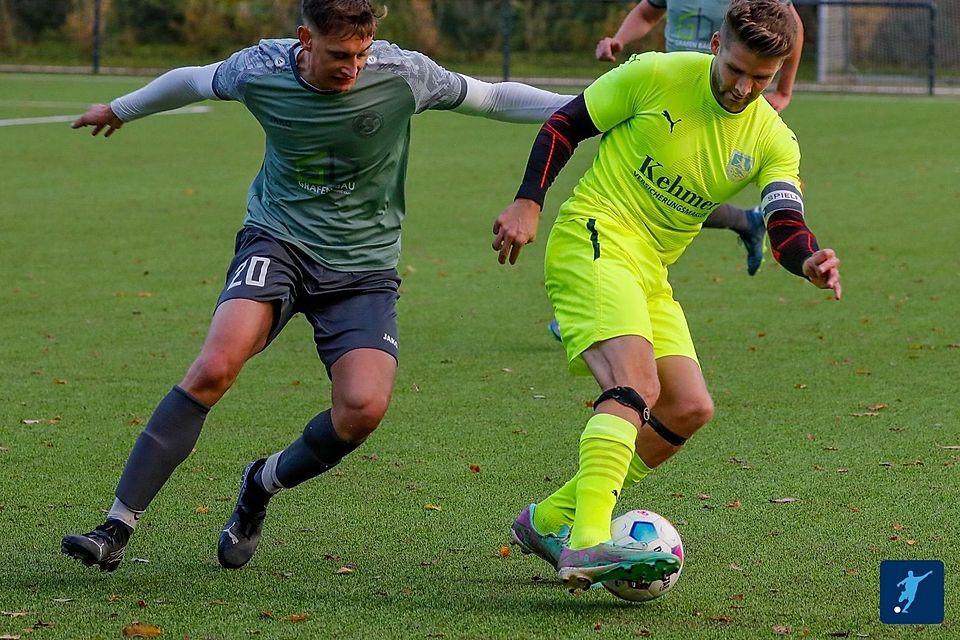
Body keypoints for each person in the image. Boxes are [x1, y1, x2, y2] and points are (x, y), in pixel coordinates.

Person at [60, 0, 578, 574]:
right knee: (213, 367)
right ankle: (115, 526)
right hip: (277, 241)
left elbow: (492, 97)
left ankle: (260, 483)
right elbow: (192, 80)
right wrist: (121, 109)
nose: (352, 67)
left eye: (361, 54)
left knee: (362, 409)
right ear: (305, 38)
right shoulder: (260, 69)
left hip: (364, 268)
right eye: (339, 54)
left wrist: (587, 110)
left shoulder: (403, 74)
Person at [492, 0, 840, 590]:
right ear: (714, 48)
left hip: (651, 269)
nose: (744, 87)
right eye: (736, 69)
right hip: (594, 236)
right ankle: (585, 544)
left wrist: (806, 258)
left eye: (761, 78)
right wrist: (529, 200)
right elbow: (565, 124)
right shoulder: (655, 74)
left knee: (686, 408)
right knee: (636, 385)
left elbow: (783, 219)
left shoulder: (774, 138)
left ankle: (548, 520)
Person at [596, 0, 806, 277]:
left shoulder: (756, 8)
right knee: (642, 185)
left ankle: (600, 287)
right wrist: (619, 40)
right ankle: (747, 221)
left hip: (721, 106)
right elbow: (648, 13)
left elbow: (791, 30)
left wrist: (784, 91)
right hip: (674, 94)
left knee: (671, 191)